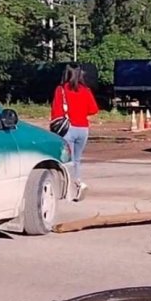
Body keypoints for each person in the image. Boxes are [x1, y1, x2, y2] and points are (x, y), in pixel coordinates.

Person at [51, 64, 99, 199]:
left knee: (67, 160)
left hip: (68, 129)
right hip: (83, 129)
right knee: (77, 160)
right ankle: (78, 183)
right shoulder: (86, 90)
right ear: (80, 74)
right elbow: (94, 109)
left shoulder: (61, 90)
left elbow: (56, 110)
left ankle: (69, 189)